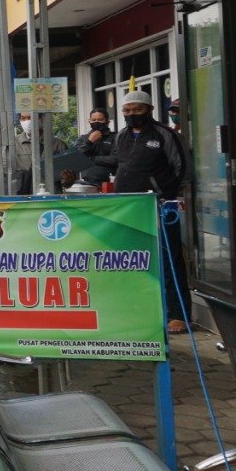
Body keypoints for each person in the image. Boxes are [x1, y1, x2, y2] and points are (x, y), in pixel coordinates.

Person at [107, 90, 190, 334]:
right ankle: (142, 309)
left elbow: (181, 168)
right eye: (126, 111)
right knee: (135, 260)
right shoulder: (121, 136)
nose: (131, 115)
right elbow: (121, 165)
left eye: (137, 110)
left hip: (160, 206)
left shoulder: (165, 134)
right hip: (129, 208)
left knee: (169, 258)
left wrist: (168, 195)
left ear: (150, 109)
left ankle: (178, 313)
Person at [13, 112, 68, 194]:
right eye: (23, 118)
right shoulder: (13, 144)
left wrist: (67, 179)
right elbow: (6, 175)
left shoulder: (57, 144)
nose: (26, 122)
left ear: (41, 119)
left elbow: (68, 180)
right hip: (23, 199)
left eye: (30, 118)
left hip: (51, 198)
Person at [75, 108, 116, 186]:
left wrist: (90, 159)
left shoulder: (115, 138)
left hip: (110, 182)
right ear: (89, 122)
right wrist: (89, 142)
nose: (96, 122)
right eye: (93, 120)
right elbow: (76, 157)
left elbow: (115, 159)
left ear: (107, 122)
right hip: (87, 183)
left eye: (100, 120)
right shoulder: (83, 138)